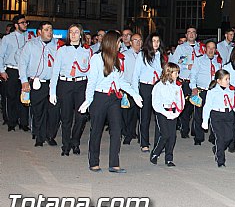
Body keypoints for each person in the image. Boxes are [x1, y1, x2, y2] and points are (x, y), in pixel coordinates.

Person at [79, 30, 143, 173]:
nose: (121, 44)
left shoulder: (117, 59)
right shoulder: (97, 59)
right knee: (96, 130)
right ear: (112, 42)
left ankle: (114, 163)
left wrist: (134, 94)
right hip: (99, 98)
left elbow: (121, 81)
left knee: (116, 130)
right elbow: (92, 82)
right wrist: (88, 100)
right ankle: (93, 162)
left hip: (114, 98)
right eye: (119, 41)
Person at [49, 23, 92, 155]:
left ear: (81, 35)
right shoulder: (62, 50)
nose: (73, 34)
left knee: (81, 117)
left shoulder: (87, 51)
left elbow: (90, 73)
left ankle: (75, 142)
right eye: (71, 32)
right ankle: (66, 145)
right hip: (65, 84)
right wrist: (52, 91)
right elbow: (55, 72)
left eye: (76, 32)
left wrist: (90, 94)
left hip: (81, 85)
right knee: (66, 117)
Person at [19, 21, 59, 147]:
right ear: (40, 32)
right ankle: (39, 137)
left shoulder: (58, 45)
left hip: (52, 83)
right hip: (37, 83)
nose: (50, 32)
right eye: (46, 29)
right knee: (38, 111)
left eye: (51, 29)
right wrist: (24, 80)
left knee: (53, 111)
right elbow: (22, 63)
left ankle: (50, 135)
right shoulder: (30, 45)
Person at [201, 69, 235, 167]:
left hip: (228, 115)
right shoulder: (212, 92)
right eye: (226, 79)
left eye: (229, 79)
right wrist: (205, 120)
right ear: (218, 81)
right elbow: (207, 106)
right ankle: (221, 160)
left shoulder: (231, 91)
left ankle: (217, 148)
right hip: (217, 115)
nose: (228, 81)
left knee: (229, 137)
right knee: (220, 138)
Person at [132, 33, 166, 152]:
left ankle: (159, 142)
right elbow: (135, 74)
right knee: (145, 116)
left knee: (160, 116)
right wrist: (136, 93)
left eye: (158, 41)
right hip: (145, 86)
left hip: (157, 87)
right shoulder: (142, 55)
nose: (156, 43)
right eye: (153, 41)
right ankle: (144, 142)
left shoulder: (161, 55)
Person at [170, 26, 203, 139]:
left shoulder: (200, 48)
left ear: (196, 35)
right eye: (189, 32)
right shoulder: (181, 48)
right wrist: (186, 66)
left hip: (197, 82)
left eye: (193, 32)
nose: (191, 34)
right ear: (186, 35)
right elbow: (173, 63)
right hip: (185, 81)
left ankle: (195, 129)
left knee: (197, 107)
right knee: (185, 107)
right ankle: (184, 129)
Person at [0, 14, 32, 132]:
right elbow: (1, 55)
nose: (25, 24)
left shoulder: (29, 37)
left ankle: (23, 123)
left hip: (25, 70)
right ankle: (11, 122)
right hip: (12, 70)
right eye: (23, 22)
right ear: (16, 25)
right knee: (11, 97)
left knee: (24, 97)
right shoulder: (7, 38)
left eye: (26, 22)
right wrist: (2, 71)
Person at [150, 62, 183, 167]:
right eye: (175, 73)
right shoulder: (159, 86)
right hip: (162, 112)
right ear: (168, 73)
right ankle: (156, 152)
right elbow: (155, 103)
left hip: (173, 112)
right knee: (165, 134)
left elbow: (180, 101)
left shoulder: (177, 86)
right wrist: (164, 113)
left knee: (172, 136)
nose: (177, 75)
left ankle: (169, 158)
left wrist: (176, 113)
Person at [189, 41, 222, 145]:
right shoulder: (199, 60)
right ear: (205, 49)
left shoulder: (219, 61)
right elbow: (193, 75)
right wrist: (193, 88)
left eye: (213, 48)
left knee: (214, 115)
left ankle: (213, 136)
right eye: (209, 47)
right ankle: (198, 137)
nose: (211, 50)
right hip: (201, 90)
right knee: (199, 115)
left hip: (214, 92)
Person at [121, 33, 142, 144]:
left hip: (140, 86)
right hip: (128, 86)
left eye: (139, 40)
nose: (138, 42)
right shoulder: (125, 55)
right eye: (135, 40)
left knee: (136, 112)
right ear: (130, 42)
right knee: (126, 111)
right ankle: (126, 132)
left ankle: (132, 132)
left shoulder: (144, 54)